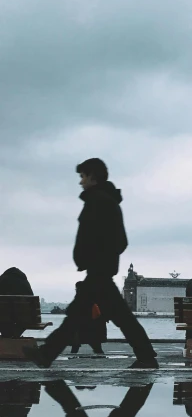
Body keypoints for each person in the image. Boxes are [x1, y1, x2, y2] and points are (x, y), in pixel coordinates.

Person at [23, 158, 158, 369]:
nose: (81, 182)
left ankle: (47, 354)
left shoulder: (99, 202)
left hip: (98, 271)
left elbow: (108, 240)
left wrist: (92, 257)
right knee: (114, 317)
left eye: (83, 176)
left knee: (79, 316)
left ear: (93, 177)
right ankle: (146, 356)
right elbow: (118, 242)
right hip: (100, 270)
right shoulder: (105, 202)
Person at [70, 281, 107, 355]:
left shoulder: (82, 300)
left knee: (77, 336)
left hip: (87, 327)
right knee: (95, 343)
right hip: (94, 326)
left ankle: (74, 351)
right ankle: (98, 351)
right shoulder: (93, 299)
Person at [0, 267, 34, 338]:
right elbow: (32, 300)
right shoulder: (24, 282)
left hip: (3, 317)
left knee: (4, 320)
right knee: (23, 320)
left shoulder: (1, 280)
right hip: (25, 318)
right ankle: (14, 337)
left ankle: (7, 337)